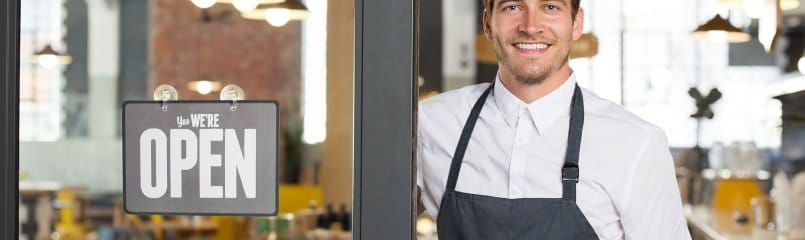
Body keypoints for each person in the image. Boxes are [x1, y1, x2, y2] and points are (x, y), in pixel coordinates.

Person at [416, 0, 691, 239]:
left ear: (576, 23)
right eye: (513, 7)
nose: (531, 25)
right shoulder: (430, 124)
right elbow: (378, 217)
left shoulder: (637, 143)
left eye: (550, 7)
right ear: (488, 23)